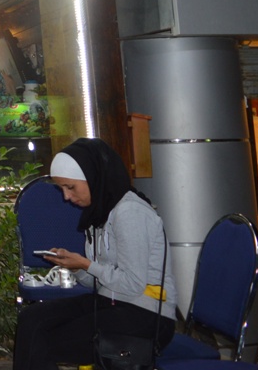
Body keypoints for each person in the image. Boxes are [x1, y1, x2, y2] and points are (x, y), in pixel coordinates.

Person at [13, 138, 176, 370]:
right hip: (112, 301)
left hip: (147, 313)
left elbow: (132, 285)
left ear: (93, 177)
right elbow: (98, 283)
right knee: (31, 319)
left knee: (44, 340)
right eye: (62, 188)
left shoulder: (130, 212)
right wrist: (76, 268)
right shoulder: (99, 213)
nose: (66, 197)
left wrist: (86, 264)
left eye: (70, 187)